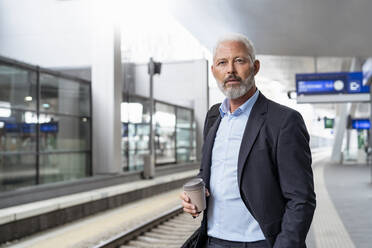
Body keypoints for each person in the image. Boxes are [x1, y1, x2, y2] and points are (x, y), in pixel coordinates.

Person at [180, 33, 316, 248]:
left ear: (255, 67)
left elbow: (301, 199)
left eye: (239, 60)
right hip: (213, 241)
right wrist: (196, 196)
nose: (230, 70)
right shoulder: (214, 116)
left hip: (259, 242)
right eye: (222, 63)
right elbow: (208, 172)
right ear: (214, 71)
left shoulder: (284, 121)